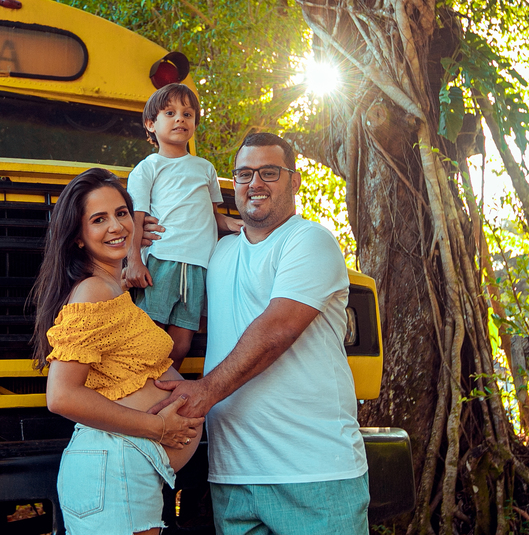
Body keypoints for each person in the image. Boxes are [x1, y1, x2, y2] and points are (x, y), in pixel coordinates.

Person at [150, 133, 370, 535]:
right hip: (233, 476)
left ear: (295, 180)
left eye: (269, 172)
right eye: (245, 173)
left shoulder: (309, 241)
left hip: (314, 474)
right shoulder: (219, 253)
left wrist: (202, 392)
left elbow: (277, 330)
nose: (255, 183)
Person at [30, 167, 206, 535]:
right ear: (78, 236)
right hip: (115, 471)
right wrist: (157, 426)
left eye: (122, 213)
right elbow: (61, 395)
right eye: (99, 219)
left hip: (124, 471)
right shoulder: (93, 290)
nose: (117, 226)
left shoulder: (113, 289)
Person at [125, 83, 242, 366]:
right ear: (151, 124)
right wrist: (134, 262)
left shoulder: (205, 168)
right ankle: (139, 392)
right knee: (150, 336)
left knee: (181, 344)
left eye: (188, 114)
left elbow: (210, 215)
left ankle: (166, 392)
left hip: (199, 265)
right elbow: (136, 218)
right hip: (162, 260)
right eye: (170, 112)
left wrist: (235, 224)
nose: (180, 119)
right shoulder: (148, 167)